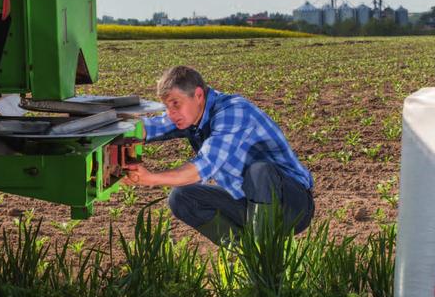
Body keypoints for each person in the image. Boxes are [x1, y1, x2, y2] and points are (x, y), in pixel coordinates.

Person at [123, 65, 314, 244]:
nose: (171, 114)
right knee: (181, 197)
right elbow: (151, 127)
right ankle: (248, 253)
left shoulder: (233, 111)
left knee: (259, 171)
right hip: (248, 203)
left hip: (291, 204)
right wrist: (112, 128)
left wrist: (150, 178)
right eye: (167, 107)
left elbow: (201, 167)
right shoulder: (190, 114)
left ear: (198, 95)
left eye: (175, 104)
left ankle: (264, 258)